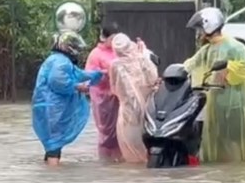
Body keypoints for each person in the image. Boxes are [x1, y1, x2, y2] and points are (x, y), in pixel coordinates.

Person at [183, 7, 245, 163]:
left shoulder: (234, 46)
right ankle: (224, 172)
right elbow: (192, 63)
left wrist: (229, 65)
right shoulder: (208, 48)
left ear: (210, 26)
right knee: (218, 138)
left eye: (200, 28)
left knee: (236, 139)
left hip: (234, 102)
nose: (199, 32)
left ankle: (240, 169)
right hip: (216, 101)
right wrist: (174, 73)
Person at [31, 31, 103, 166]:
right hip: (53, 109)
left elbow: (78, 73)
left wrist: (96, 75)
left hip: (48, 107)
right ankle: (54, 173)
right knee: (54, 142)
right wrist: (78, 87)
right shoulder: (62, 62)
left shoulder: (56, 59)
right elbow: (58, 82)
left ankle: (49, 169)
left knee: (52, 142)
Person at [109, 33, 159, 163]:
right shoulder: (142, 59)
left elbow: (113, 87)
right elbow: (154, 78)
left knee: (129, 144)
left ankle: (133, 174)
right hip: (149, 107)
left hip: (127, 110)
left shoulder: (115, 65)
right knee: (146, 140)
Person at [85, 22, 121, 161]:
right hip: (102, 97)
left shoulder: (119, 51)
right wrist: (105, 73)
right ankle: (105, 161)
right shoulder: (96, 54)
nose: (114, 42)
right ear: (104, 38)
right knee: (105, 131)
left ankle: (119, 159)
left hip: (118, 96)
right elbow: (89, 76)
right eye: (112, 39)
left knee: (120, 131)